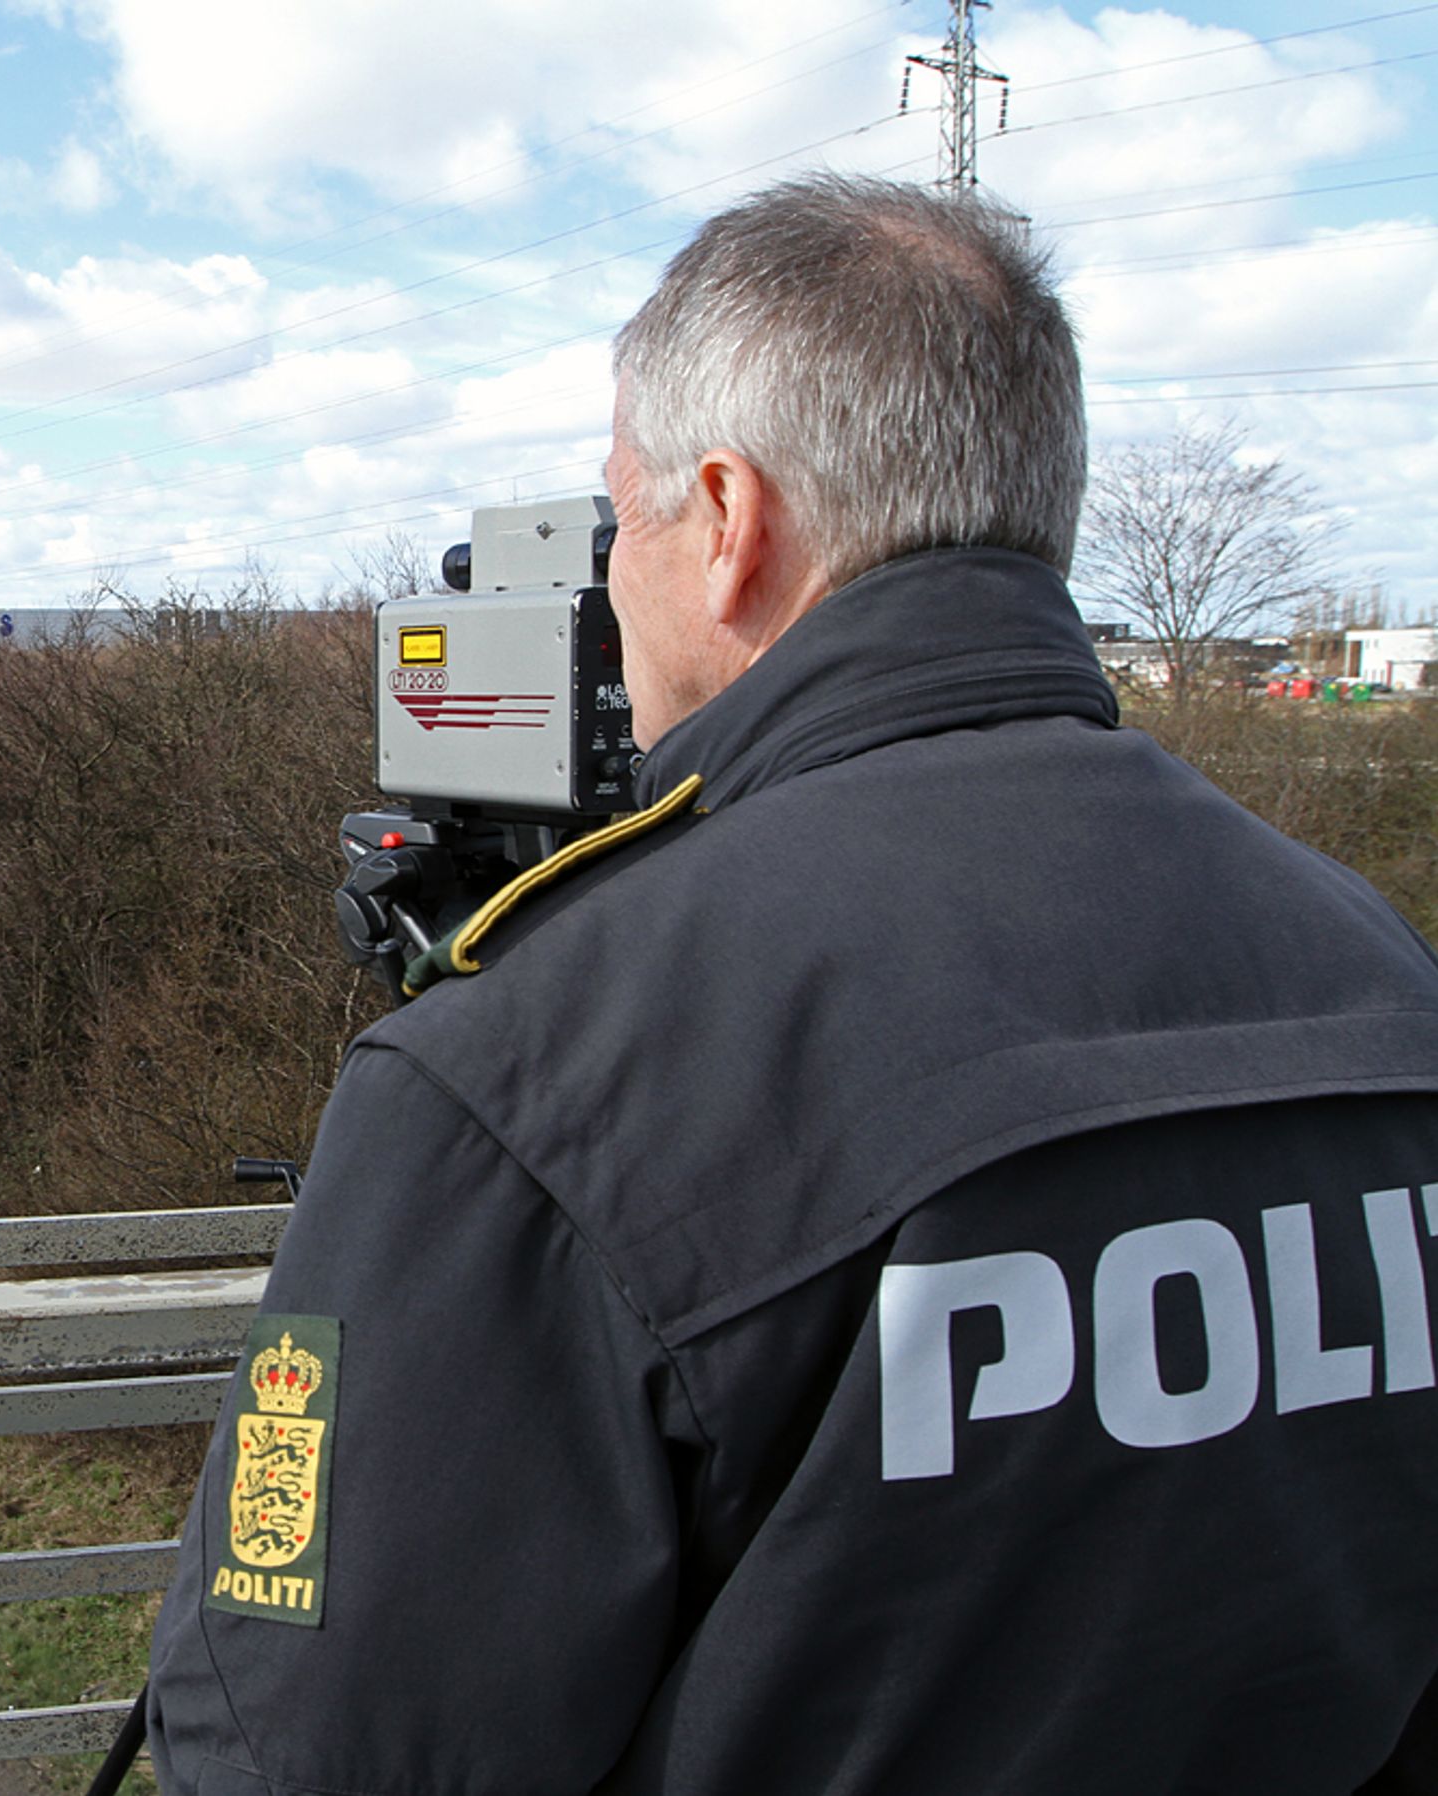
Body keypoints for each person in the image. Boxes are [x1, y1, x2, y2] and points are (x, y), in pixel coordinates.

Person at [143, 173, 1438, 1793]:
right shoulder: (1376, 968)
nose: (611, 586)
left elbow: (301, 1755)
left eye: (627, 525)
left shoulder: (542, 1069)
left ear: (731, 520)